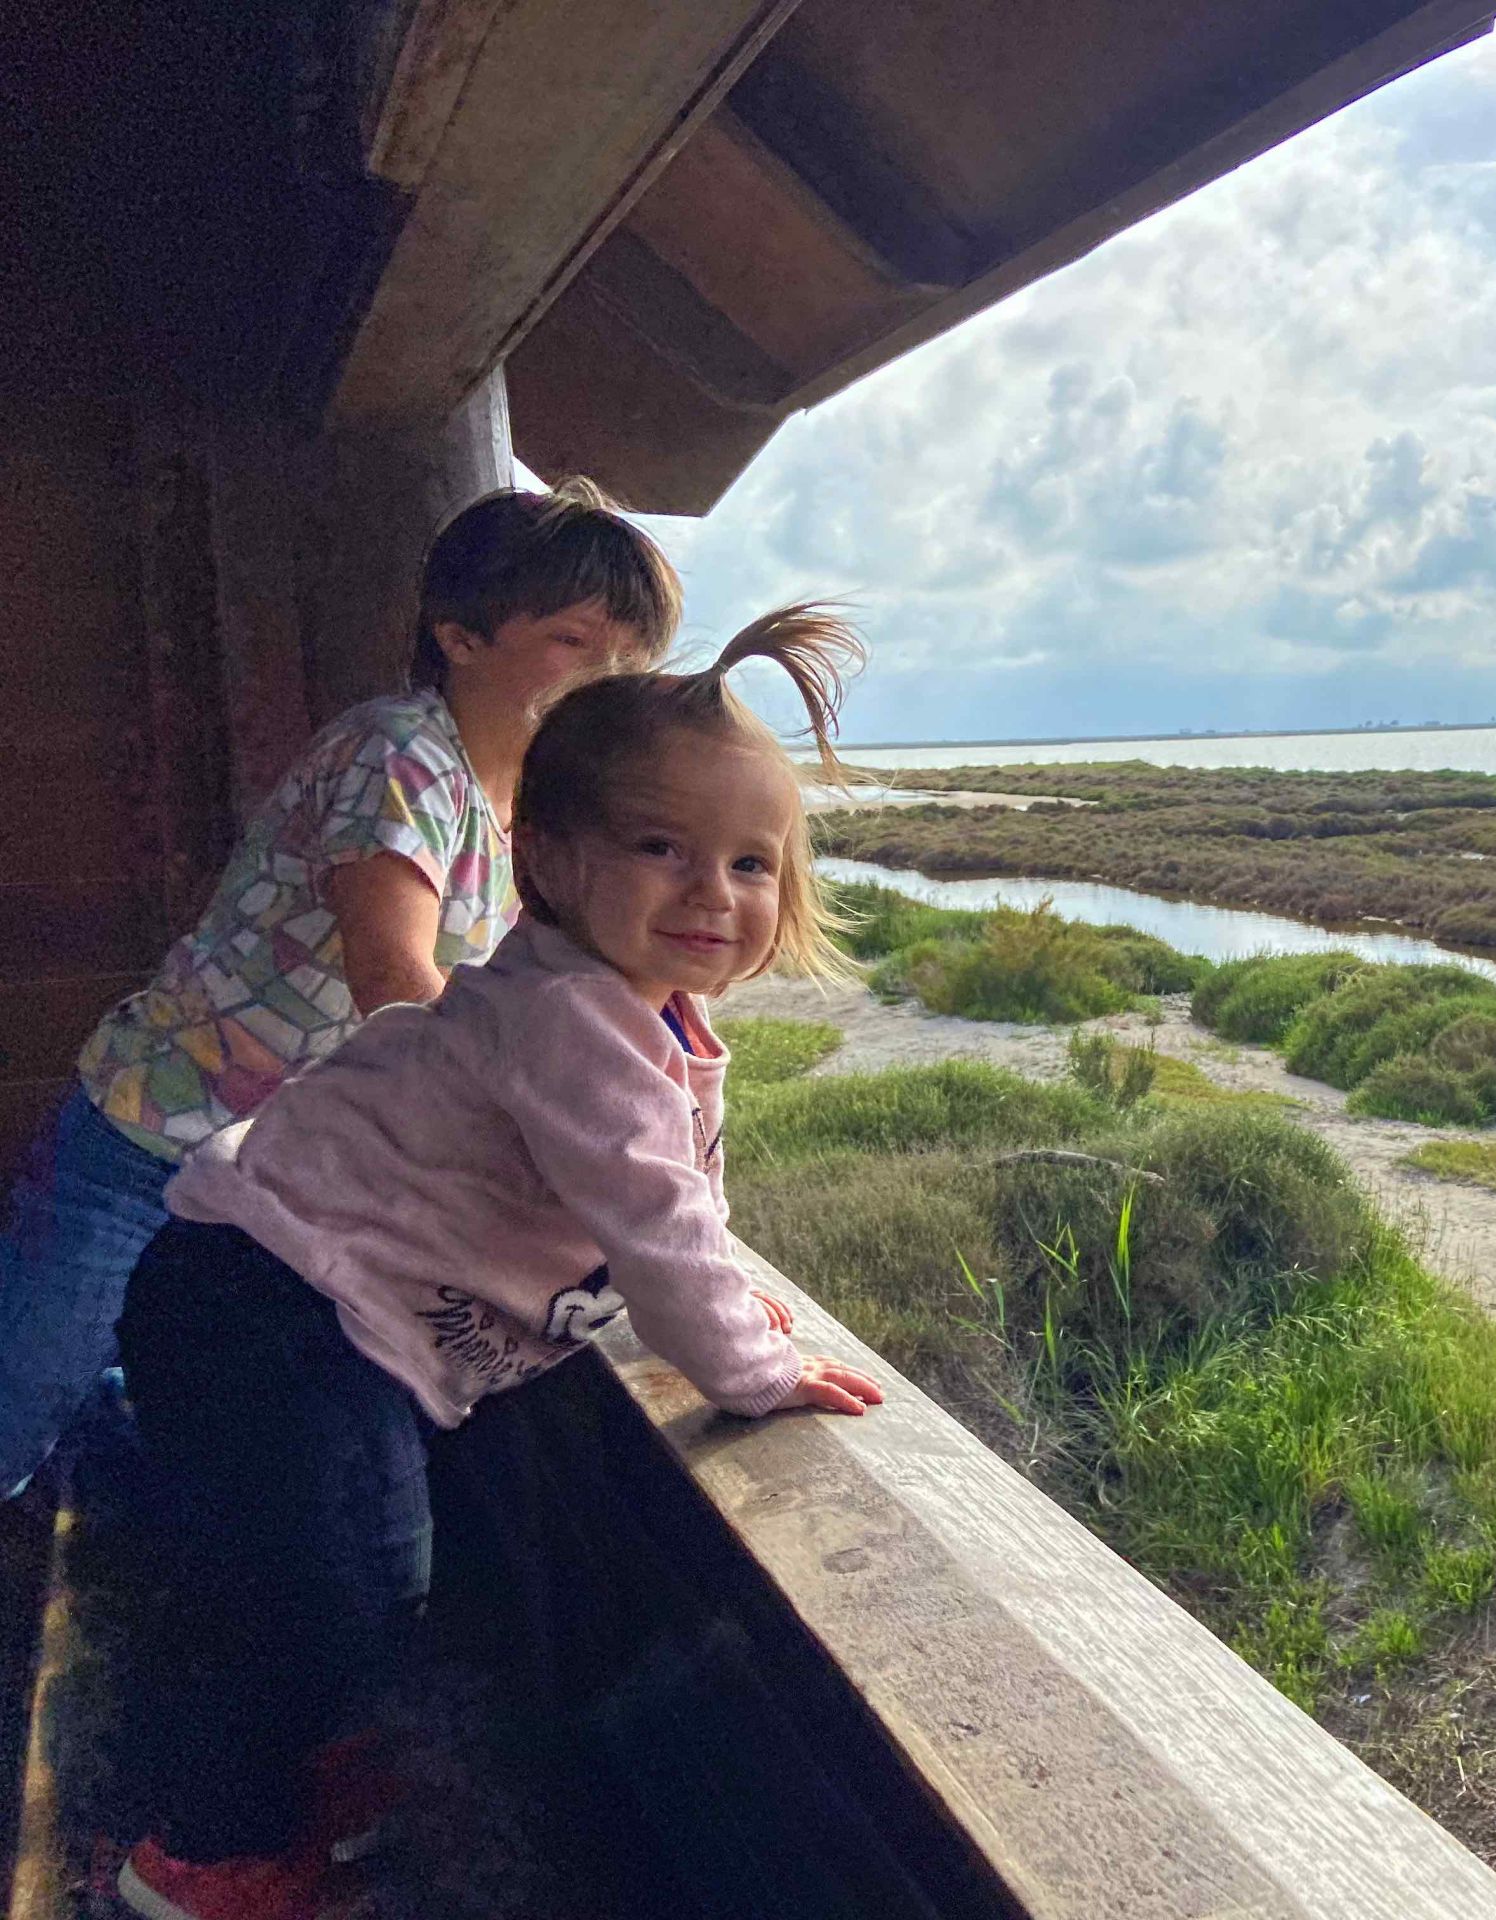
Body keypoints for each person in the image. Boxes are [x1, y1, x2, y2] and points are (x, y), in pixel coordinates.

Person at [110, 606, 887, 1920]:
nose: (715, 892)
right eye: (663, 849)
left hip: (294, 1303)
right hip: (271, 1305)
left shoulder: (639, 1018)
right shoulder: (575, 1020)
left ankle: (297, 1754)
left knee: (337, 1574)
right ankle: (201, 1858)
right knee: (342, 1585)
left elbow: (680, 1196)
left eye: (754, 864)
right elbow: (654, 1227)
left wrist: (735, 1299)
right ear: (554, 859)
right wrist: (754, 1367)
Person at [0, 479, 682, 1498]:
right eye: (578, 641)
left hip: (269, 1186)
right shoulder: (402, 755)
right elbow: (396, 985)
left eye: (633, 653)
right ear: (459, 637)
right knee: (19, 1405)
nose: (611, 676)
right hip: (154, 1134)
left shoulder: (527, 808)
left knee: (158, 1405)